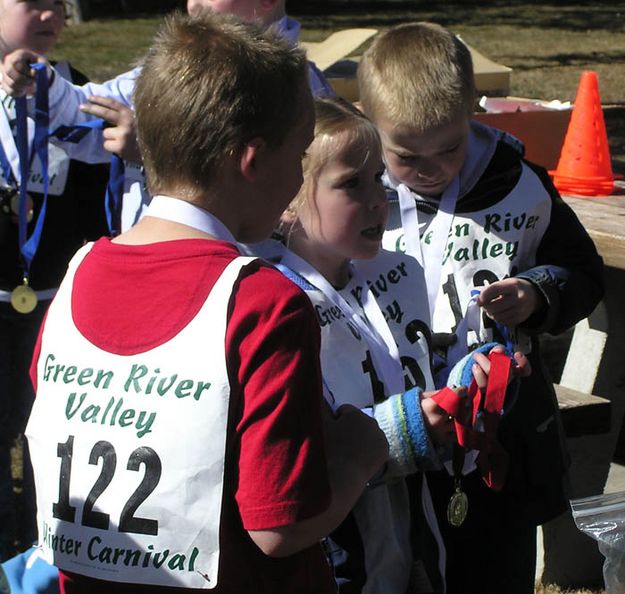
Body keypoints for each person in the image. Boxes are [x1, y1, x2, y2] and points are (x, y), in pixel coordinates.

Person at [25, 11, 387, 594]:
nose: (298, 179)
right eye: (298, 158)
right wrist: (360, 456)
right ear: (251, 160)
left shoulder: (79, 273)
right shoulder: (264, 302)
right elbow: (279, 525)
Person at [357, 21, 605, 594]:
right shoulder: (358, 193)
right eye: (407, 155)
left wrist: (538, 292)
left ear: (473, 108)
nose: (432, 168)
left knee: (495, 565)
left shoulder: (520, 184)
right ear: (371, 122)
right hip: (398, 420)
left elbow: (583, 273)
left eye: (449, 146)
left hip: (501, 430)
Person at [252, 96, 529, 594]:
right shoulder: (271, 301)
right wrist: (403, 427)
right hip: (332, 547)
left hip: (412, 528)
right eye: (350, 184)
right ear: (288, 196)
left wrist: (467, 377)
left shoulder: (397, 272)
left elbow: (412, 371)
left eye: (379, 178)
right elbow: (294, 448)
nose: (379, 200)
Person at [0, 0, 334, 232]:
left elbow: (321, 187)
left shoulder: (305, 87)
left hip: (260, 271)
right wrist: (40, 85)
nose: (192, 7)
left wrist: (150, 150)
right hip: (161, 259)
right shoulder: (176, 68)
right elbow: (87, 107)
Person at [0, 0, 109, 561]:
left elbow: (101, 185)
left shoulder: (81, 91)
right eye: (31, 2)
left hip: (57, 304)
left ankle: (51, 555)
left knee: (53, 438)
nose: (49, 15)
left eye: (58, 5)